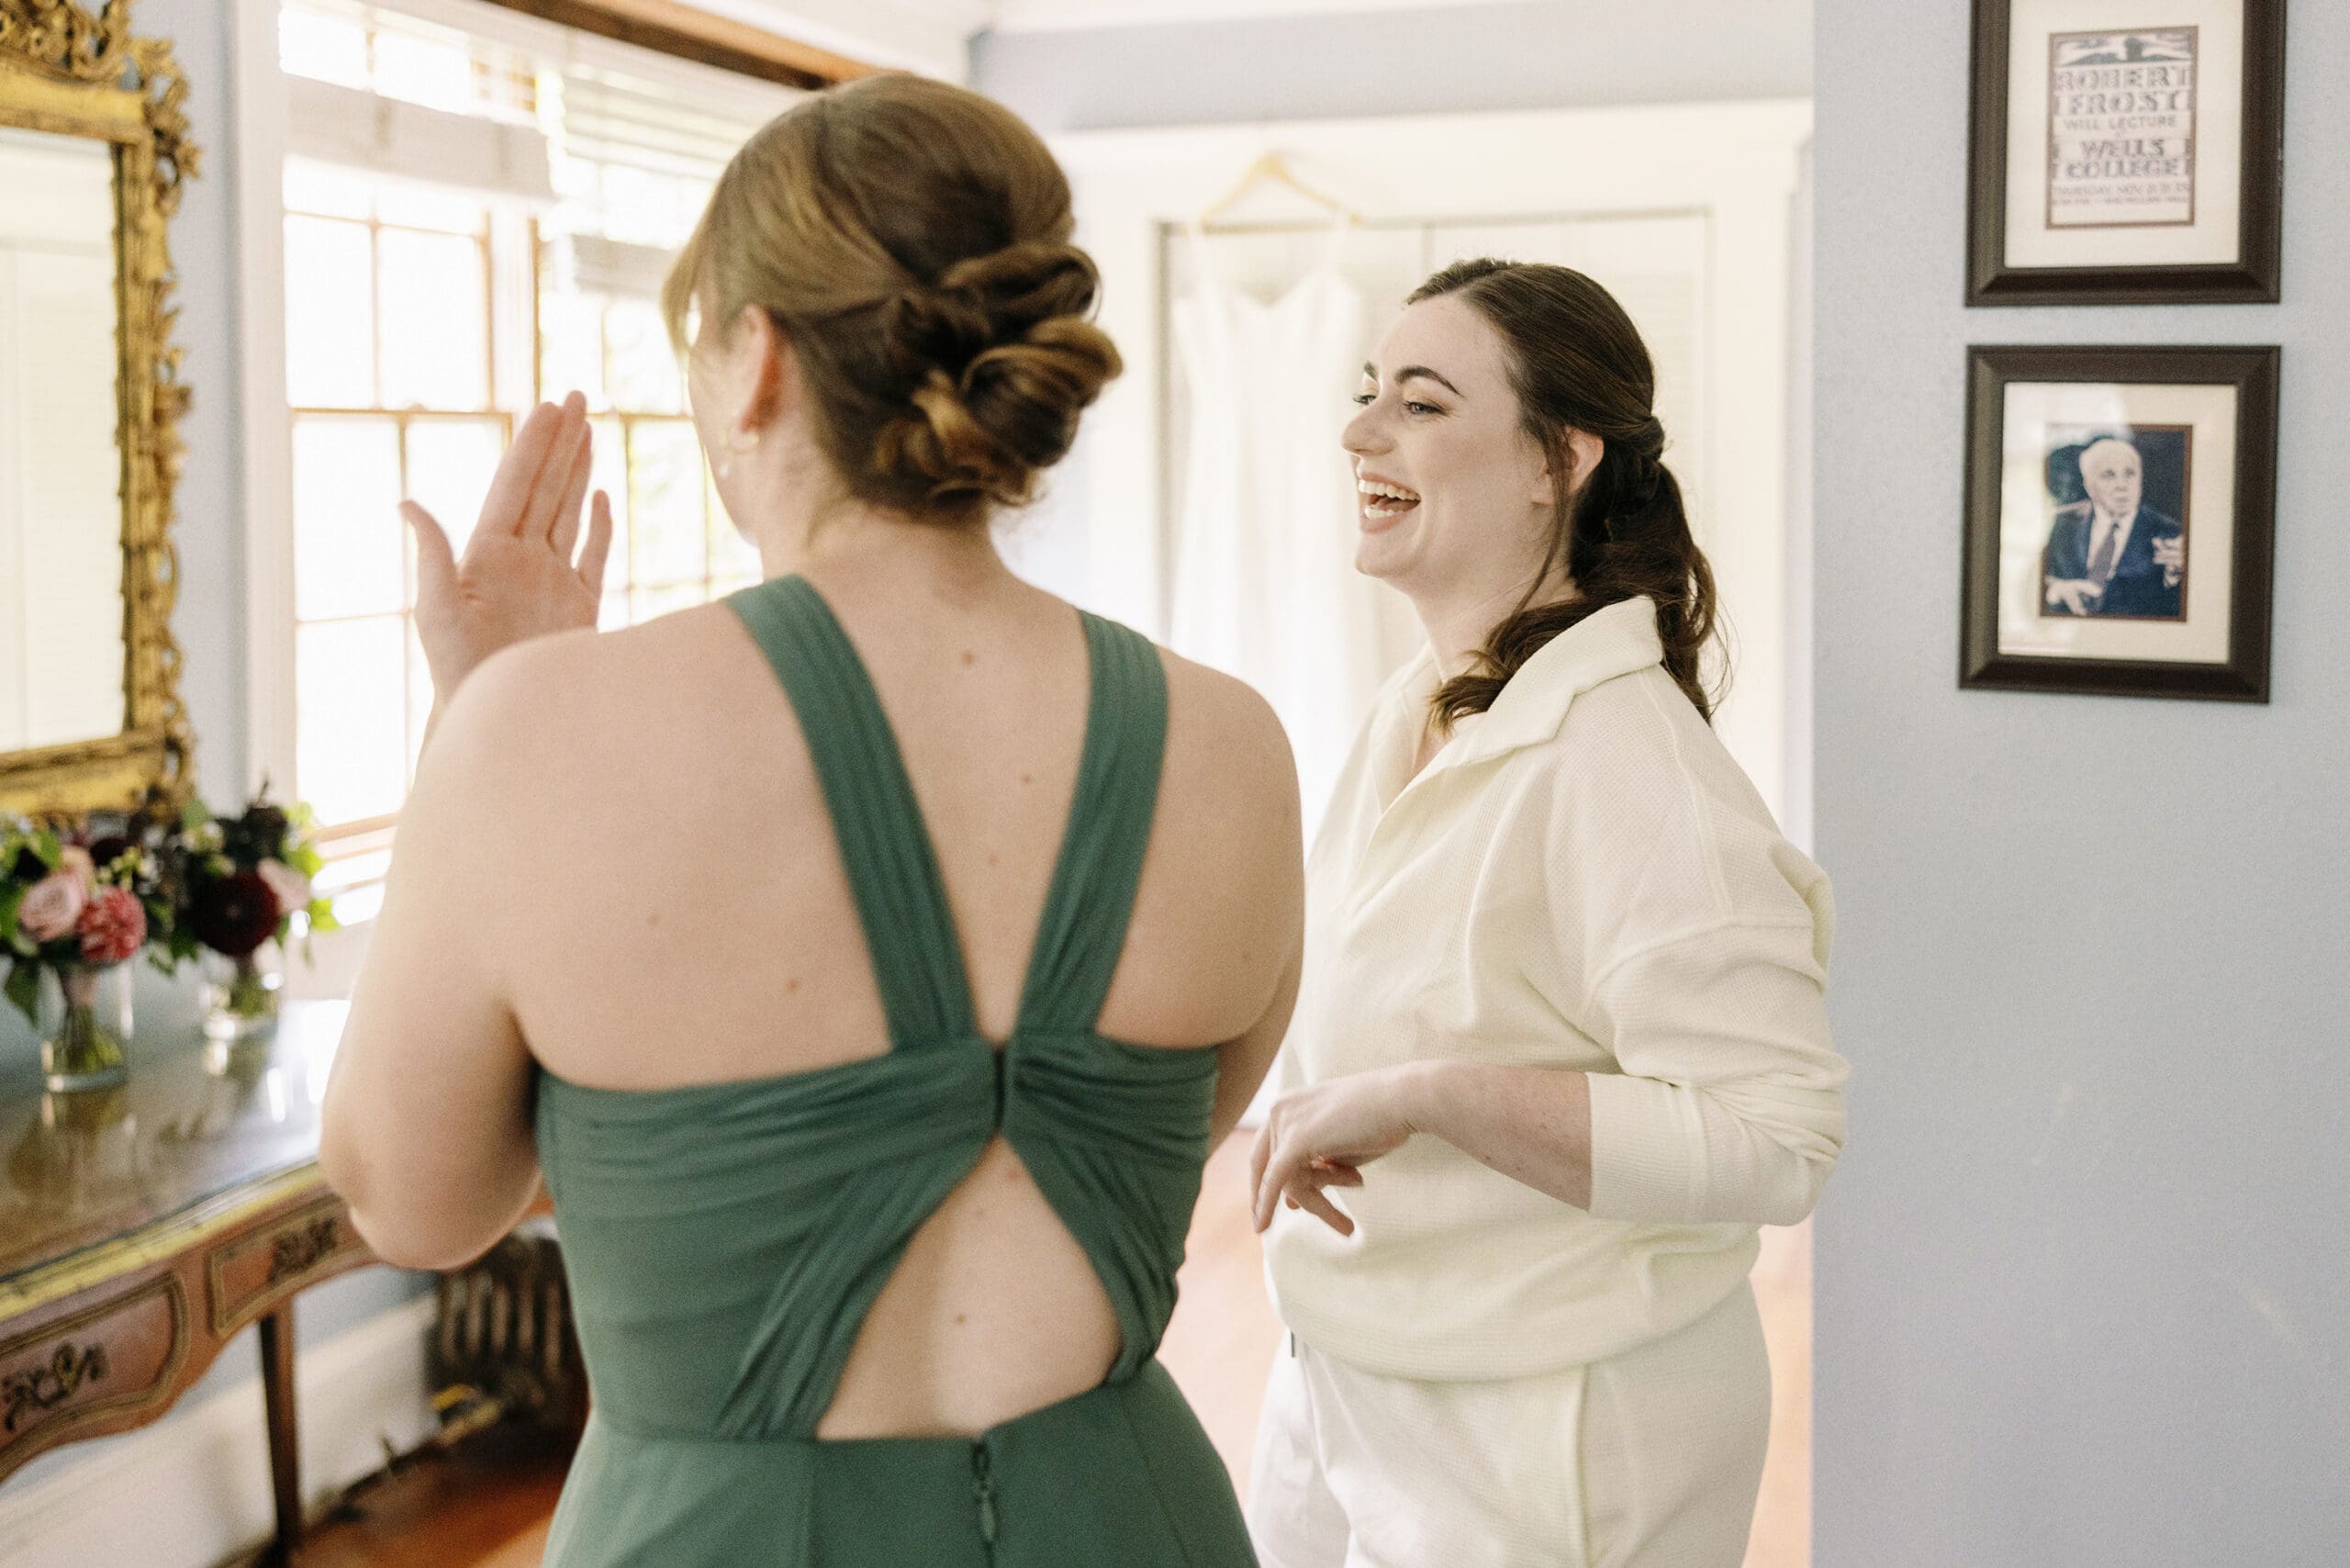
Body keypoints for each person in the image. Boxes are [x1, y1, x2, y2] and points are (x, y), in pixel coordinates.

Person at [318, 73, 1304, 1568]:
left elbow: (416, 1199)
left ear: (758, 360)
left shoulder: (537, 735)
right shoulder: (1235, 744)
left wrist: (490, 710)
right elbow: (1165, 1132)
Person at [1245, 259, 1850, 1568]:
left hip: (1548, 1437)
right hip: (1348, 1368)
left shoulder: (1630, 764)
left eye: (1420, 402)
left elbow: (1776, 1140)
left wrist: (1436, 1095)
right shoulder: (1413, 707)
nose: (1361, 433)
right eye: (1368, 396)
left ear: (1555, 460)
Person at [2042, 435, 2186, 619]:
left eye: (2129, 474)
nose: (2122, 485)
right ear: (2089, 486)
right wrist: (2058, 589)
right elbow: (2034, 578)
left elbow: (2176, 608)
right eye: (2108, 475)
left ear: (2141, 480)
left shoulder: (2170, 533)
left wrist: (2175, 577)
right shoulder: (2062, 523)